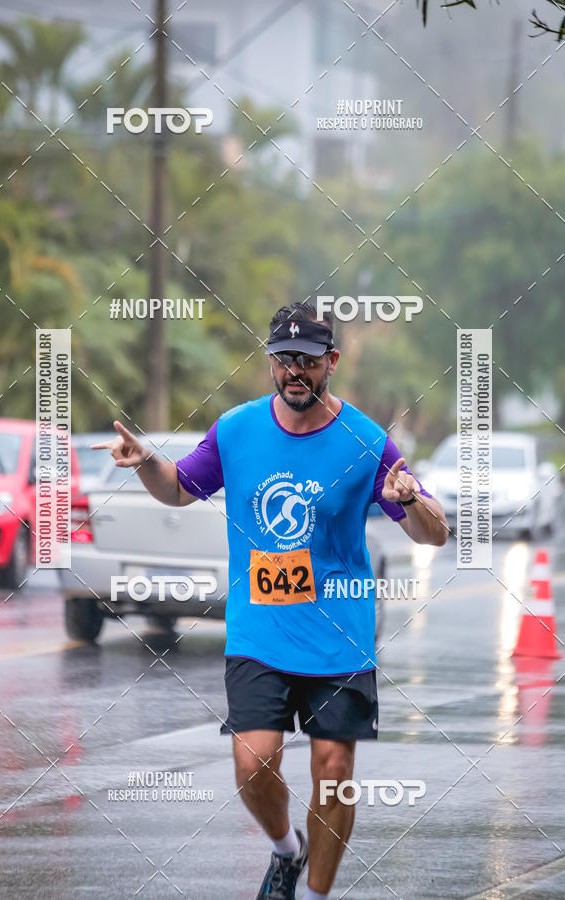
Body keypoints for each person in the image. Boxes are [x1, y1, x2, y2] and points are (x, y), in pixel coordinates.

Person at [92, 302, 448, 900]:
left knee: (333, 775)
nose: (294, 372)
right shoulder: (237, 430)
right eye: (283, 361)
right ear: (271, 365)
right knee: (253, 764)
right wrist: (146, 461)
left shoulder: (366, 442)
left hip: (340, 636)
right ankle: (287, 848)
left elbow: (433, 533)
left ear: (330, 362)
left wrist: (410, 499)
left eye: (307, 361)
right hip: (260, 630)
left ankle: (313, 896)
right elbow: (180, 489)